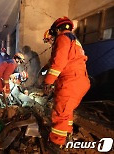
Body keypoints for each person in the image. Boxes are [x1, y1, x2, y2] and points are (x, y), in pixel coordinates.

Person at [43, 16, 90, 150]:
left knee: (60, 113)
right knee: (67, 111)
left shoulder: (62, 38)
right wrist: (46, 68)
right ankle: (66, 134)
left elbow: (59, 62)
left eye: (51, 37)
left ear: (57, 30)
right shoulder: (72, 39)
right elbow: (59, 59)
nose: (51, 41)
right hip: (79, 81)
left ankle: (55, 144)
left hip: (70, 81)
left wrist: (48, 82)